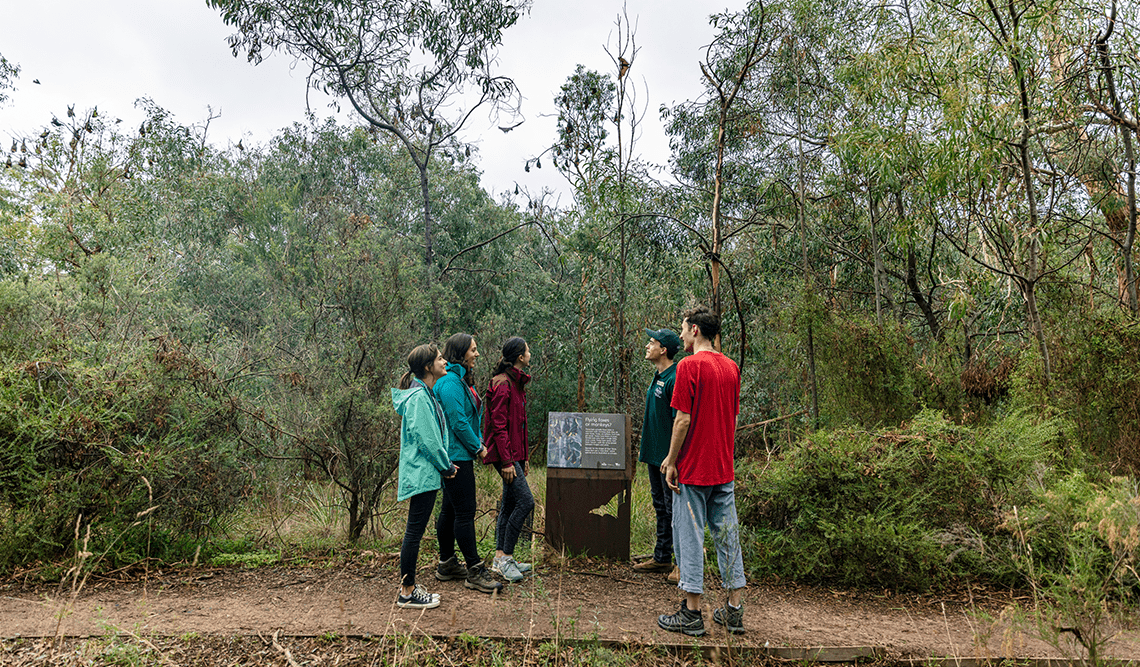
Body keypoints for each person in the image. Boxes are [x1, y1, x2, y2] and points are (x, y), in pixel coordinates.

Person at [657, 305, 746, 636]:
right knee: (728, 537)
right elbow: (732, 419)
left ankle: (691, 613)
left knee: (689, 537)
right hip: (723, 468)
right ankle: (734, 609)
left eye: (683, 329)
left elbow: (682, 419)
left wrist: (671, 460)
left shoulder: (688, 367)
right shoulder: (731, 368)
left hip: (693, 469)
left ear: (695, 330)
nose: (680, 335)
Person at [432, 333, 503, 594]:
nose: (477, 354)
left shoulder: (457, 380)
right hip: (457, 456)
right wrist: (479, 447)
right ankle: (474, 570)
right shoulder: (450, 382)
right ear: (461, 353)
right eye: (473, 350)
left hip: (457, 454)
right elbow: (458, 421)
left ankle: (447, 563)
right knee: (465, 512)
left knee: (450, 510)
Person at [390, 344, 456, 610]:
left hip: (425, 473)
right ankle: (407, 593)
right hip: (422, 473)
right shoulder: (419, 398)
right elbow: (428, 439)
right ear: (428, 367)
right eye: (439, 359)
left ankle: (410, 588)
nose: (444, 362)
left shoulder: (424, 394)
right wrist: (446, 466)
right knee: (414, 533)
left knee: (414, 532)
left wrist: (445, 465)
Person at [483, 336, 535, 583]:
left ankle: (499, 558)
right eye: (527, 350)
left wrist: (522, 458)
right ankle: (506, 558)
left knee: (508, 504)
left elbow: (519, 426)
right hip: (504, 455)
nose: (529, 353)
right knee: (526, 502)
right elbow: (499, 426)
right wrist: (506, 462)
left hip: (513, 454)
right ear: (519, 357)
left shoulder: (516, 383)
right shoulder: (503, 384)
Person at [633, 328, 682, 577]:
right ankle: (662, 558)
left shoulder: (674, 378)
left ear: (663, 350)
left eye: (652, 343)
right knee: (660, 506)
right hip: (653, 455)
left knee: (673, 508)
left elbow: (679, 421)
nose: (647, 346)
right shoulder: (658, 376)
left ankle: (681, 564)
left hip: (668, 459)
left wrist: (671, 457)